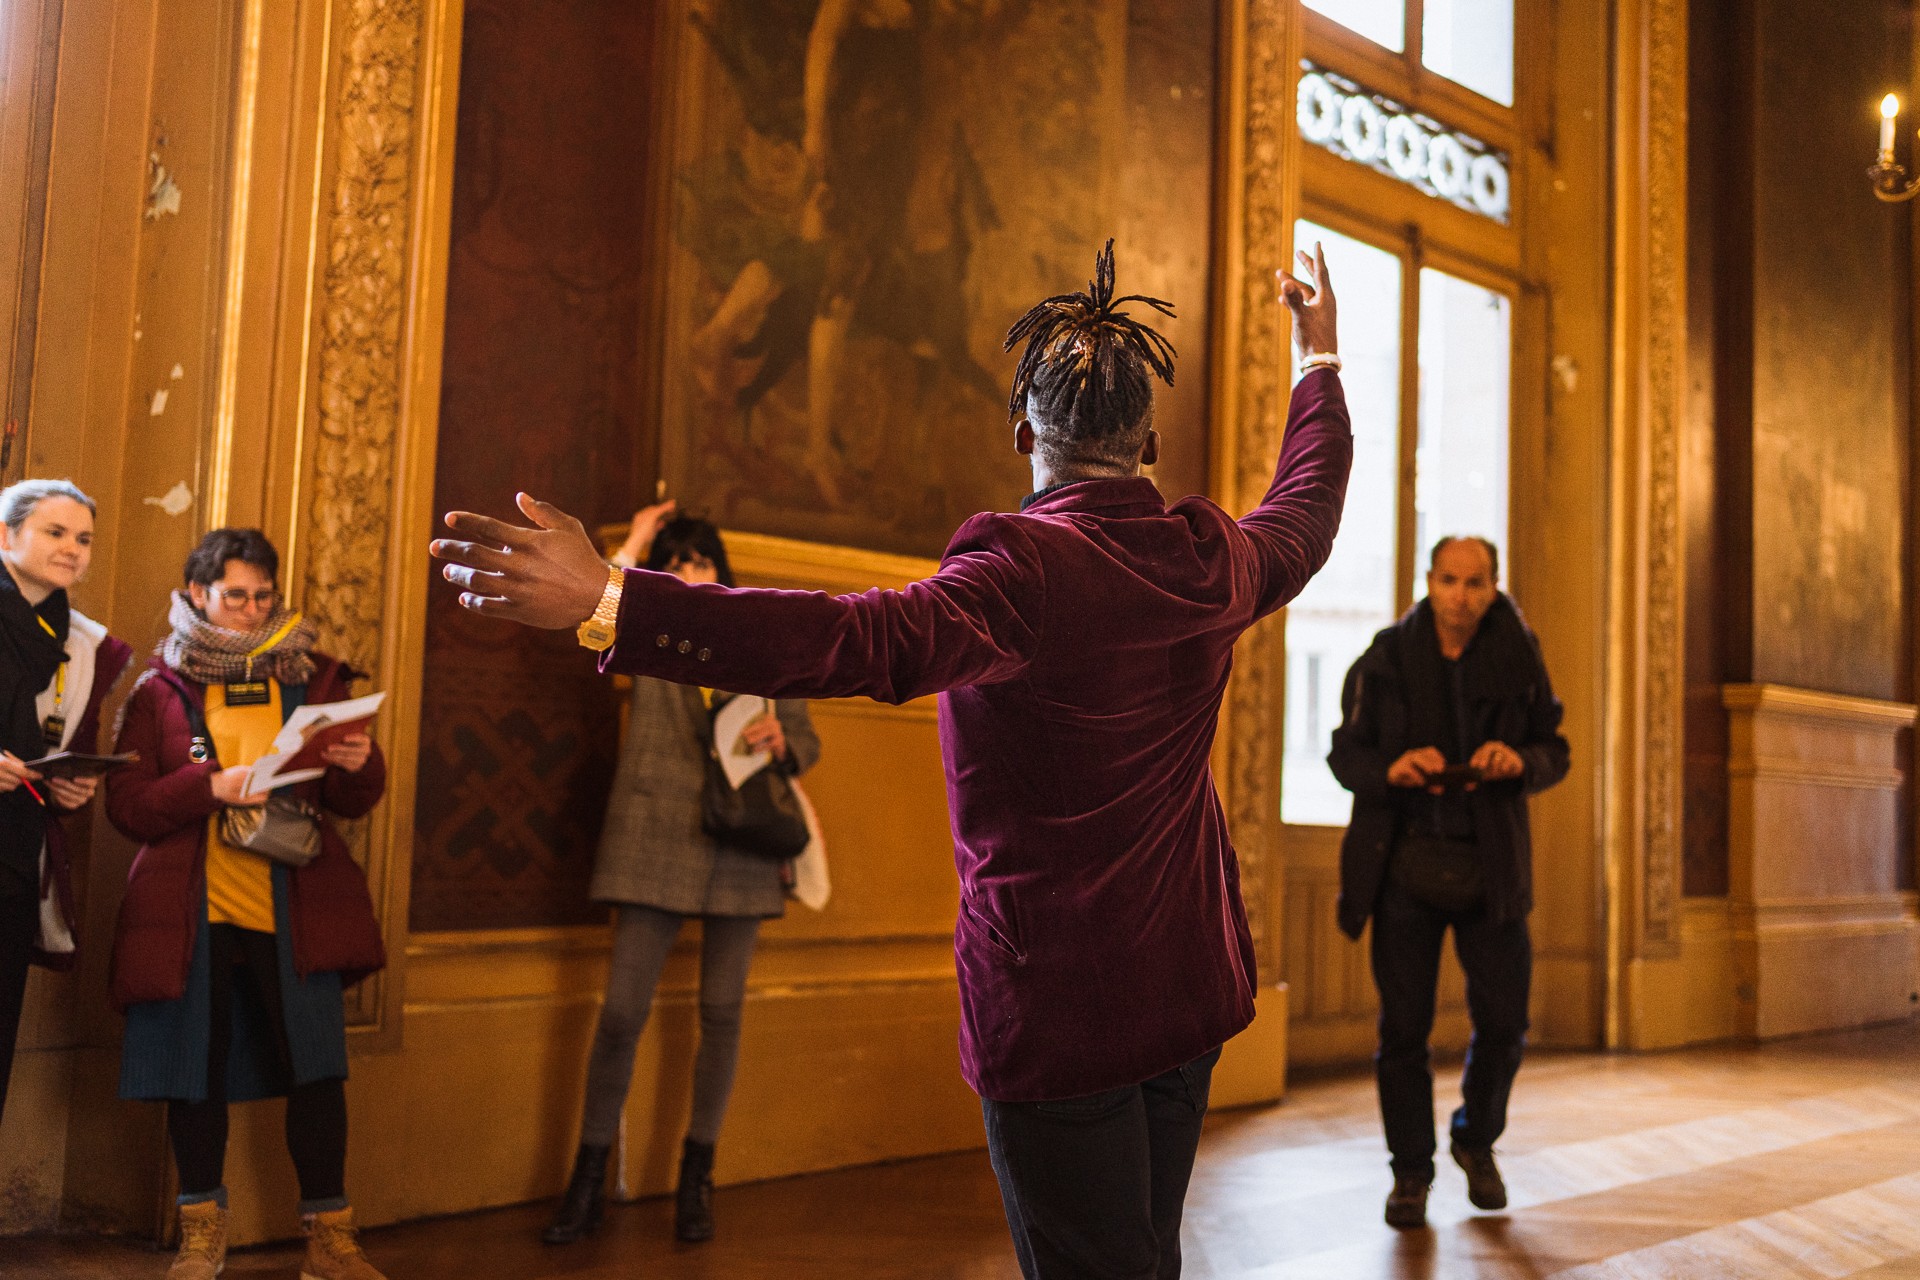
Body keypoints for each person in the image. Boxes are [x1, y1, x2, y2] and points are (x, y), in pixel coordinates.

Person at [432, 239, 1351, 1279]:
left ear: (1022, 433)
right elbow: (1306, 512)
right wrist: (1318, 362)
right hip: (1187, 986)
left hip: (1060, 1009)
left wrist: (615, 598)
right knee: (1142, 1257)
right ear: (1148, 439)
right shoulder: (1210, 555)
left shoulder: (1021, 570)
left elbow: (841, 639)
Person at [106, 528, 391, 1280]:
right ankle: (202, 1235)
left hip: (295, 908)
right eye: (236, 596)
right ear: (198, 594)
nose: (253, 610)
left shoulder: (313, 677)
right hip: (191, 913)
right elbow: (128, 805)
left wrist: (361, 762)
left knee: (318, 1070)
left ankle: (331, 1242)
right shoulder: (158, 688)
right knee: (193, 1071)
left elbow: (355, 799)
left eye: (264, 596)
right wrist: (210, 787)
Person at [544, 510, 821, 1247]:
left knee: (722, 1014)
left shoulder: (759, 637)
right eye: (681, 562)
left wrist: (779, 739)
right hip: (655, 835)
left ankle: (697, 1177)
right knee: (621, 1015)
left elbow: (805, 738)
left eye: (705, 563)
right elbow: (590, 612)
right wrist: (633, 549)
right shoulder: (642, 632)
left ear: (723, 573)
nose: (695, 575)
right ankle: (589, 1178)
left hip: (743, 843)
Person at [1326, 535, 1570, 1230]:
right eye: (1450, 580)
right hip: (1404, 865)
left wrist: (1517, 758)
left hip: (1490, 868)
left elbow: (1556, 750)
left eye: (1476, 582)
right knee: (1404, 1031)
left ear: (1494, 586)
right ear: (1428, 581)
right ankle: (1410, 1173)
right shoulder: (1385, 656)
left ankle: (1475, 1139)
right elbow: (1345, 754)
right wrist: (1393, 769)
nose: (1462, 595)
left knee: (1506, 1025)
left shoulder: (1520, 657)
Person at [0, 479, 132, 1129]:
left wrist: (71, 790)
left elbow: (64, 743)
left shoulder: (79, 641)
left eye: (83, 539)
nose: (72, 549)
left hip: (15, 859)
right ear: (5, 536)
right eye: (55, 532)